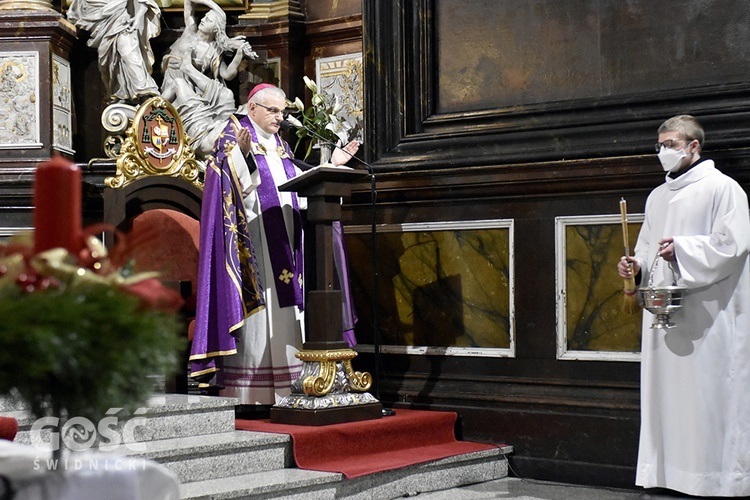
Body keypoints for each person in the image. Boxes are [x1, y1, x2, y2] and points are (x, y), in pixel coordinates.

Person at [189, 83, 360, 408]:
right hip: (251, 251)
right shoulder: (230, 140)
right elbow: (233, 191)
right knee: (260, 316)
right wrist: (242, 157)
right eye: (273, 110)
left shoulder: (280, 145)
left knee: (285, 314)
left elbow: (297, 189)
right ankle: (249, 394)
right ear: (252, 108)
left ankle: (287, 387)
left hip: (283, 242)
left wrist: (332, 167)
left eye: (283, 111)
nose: (280, 117)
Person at [617, 115, 750, 497]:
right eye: (659, 145)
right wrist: (637, 266)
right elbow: (646, 245)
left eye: (671, 144)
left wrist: (685, 249)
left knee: (707, 395)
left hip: (709, 314)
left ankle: (713, 478)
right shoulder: (658, 195)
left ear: (694, 146)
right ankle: (666, 473)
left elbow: (734, 244)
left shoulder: (723, 189)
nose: (663, 152)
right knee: (665, 397)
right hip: (665, 313)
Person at [160, 0, 257, 158]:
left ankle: (220, 129)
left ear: (215, 28)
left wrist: (238, 55)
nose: (204, 19)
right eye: (205, 15)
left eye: (209, 19)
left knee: (225, 93)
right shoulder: (190, 32)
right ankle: (152, 109)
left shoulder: (213, 50)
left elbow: (227, 74)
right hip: (173, 82)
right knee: (179, 84)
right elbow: (188, 3)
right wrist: (214, 6)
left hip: (192, 87)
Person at [67, 0, 161, 103]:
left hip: (121, 17)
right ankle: (121, 93)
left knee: (128, 50)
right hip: (96, 15)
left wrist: (138, 17)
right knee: (111, 58)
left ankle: (145, 90)